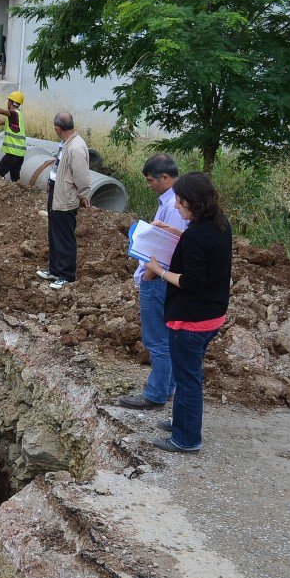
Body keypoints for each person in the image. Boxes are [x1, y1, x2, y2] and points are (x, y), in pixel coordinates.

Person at [142, 172, 231, 453]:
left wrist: (159, 271)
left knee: (188, 379)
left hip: (192, 320)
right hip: (213, 313)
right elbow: (201, 246)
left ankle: (186, 438)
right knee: (187, 374)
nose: (177, 207)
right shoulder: (218, 223)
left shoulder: (197, 235)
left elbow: (192, 282)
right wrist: (173, 232)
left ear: (193, 202)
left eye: (180, 202)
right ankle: (182, 421)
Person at [118, 154, 190, 409]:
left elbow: (168, 249)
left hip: (158, 279)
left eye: (151, 180)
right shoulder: (174, 202)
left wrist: (149, 275)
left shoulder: (173, 206)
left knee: (156, 339)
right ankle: (166, 387)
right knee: (164, 338)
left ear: (166, 178)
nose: (149, 185)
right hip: (161, 278)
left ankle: (156, 394)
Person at [35, 111, 90, 290]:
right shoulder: (67, 142)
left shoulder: (76, 147)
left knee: (65, 236)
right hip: (57, 193)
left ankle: (66, 275)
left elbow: (81, 176)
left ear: (58, 128)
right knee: (54, 232)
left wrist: (83, 195)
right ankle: (54, 269)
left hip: (66, 198)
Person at [0, 91, 26, 181]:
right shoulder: (17, 117)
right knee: (15, 179)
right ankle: (16, 193)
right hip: (20, 155)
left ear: (10, 102)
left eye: (8, 101)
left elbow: (0, 111)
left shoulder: (14, 114)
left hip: (12, 154)